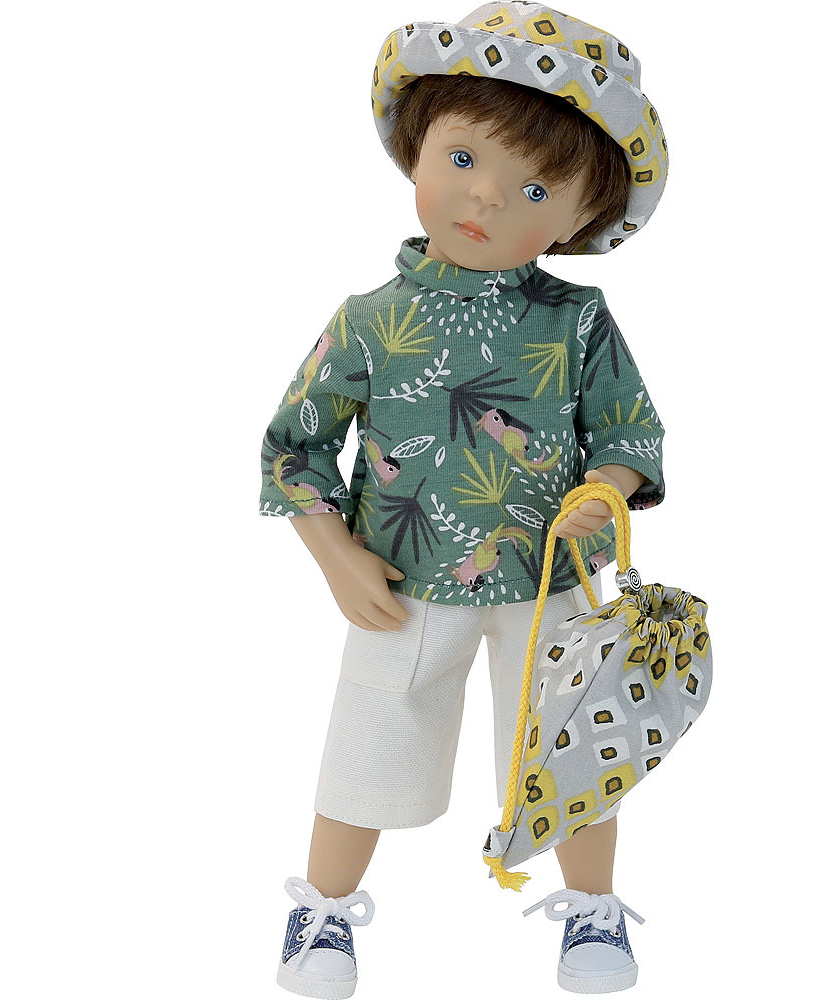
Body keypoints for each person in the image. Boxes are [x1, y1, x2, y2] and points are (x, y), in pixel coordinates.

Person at [259, 4, 670, 995]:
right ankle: (322, 910)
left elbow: (629, 432)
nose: (485, 196)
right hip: (402, 578)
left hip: (555, 579)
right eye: (461, 158)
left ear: (578, 219)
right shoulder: (371, 320)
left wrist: (606, 490)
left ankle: (592, 909)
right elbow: (294, 446)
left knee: (570, 743)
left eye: (534, 188)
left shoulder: (578, 321)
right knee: (369, 738)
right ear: (414, 151)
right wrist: (336, 555)